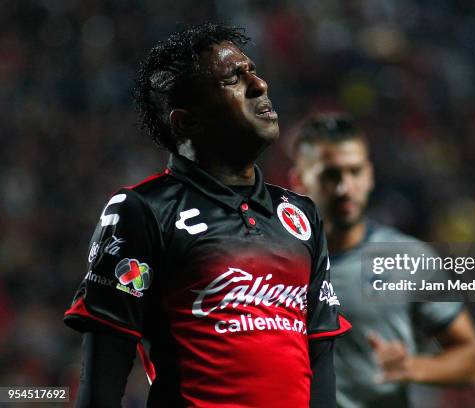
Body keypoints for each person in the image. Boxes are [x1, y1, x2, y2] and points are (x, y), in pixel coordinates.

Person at [64, 24, 350, 408]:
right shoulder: (142, 210)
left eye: (253, 71)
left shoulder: (300, 215)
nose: (259, 85)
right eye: (234, 78)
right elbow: (104, 373)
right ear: (187, 121)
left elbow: (319, 355)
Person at [289, 113, 475, 407]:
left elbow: (473, 358)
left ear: (370, 176)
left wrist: (415, 367)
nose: (345, 188)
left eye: (354, 172)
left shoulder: (406, 258)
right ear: (299, 180)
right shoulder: (272, 260)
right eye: (330, 175)